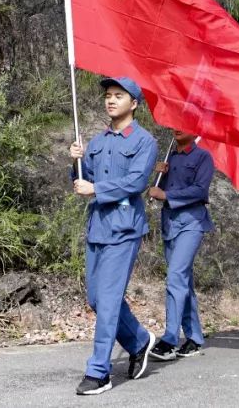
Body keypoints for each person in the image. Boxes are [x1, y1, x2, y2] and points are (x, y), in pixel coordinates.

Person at [70, 76, 159, 395]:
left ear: (133, 103)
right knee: (96, 298)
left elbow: (136, 183)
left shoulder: (144, 142)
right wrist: (76, 163)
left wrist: (96, 189)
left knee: (107, 300)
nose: (110, 100)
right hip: (98, 226)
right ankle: (138, 340)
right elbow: (84, 179)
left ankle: (99, 372)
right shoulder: (98, 141)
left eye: (118, 96)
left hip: (124, 229)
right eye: (108, 95)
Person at [147, 129, 214, 362]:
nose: (177, 127)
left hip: (192, 223)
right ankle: (194, 338)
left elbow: (199, 190)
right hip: (170, 225)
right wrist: (157, 174)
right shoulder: (170, 158)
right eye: (174, 122)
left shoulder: (203, 156)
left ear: (194, 130)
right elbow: (156, 190)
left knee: (175, 276)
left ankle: (169, 340)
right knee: (183, 279)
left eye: (183, 123)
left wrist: (166, 194)